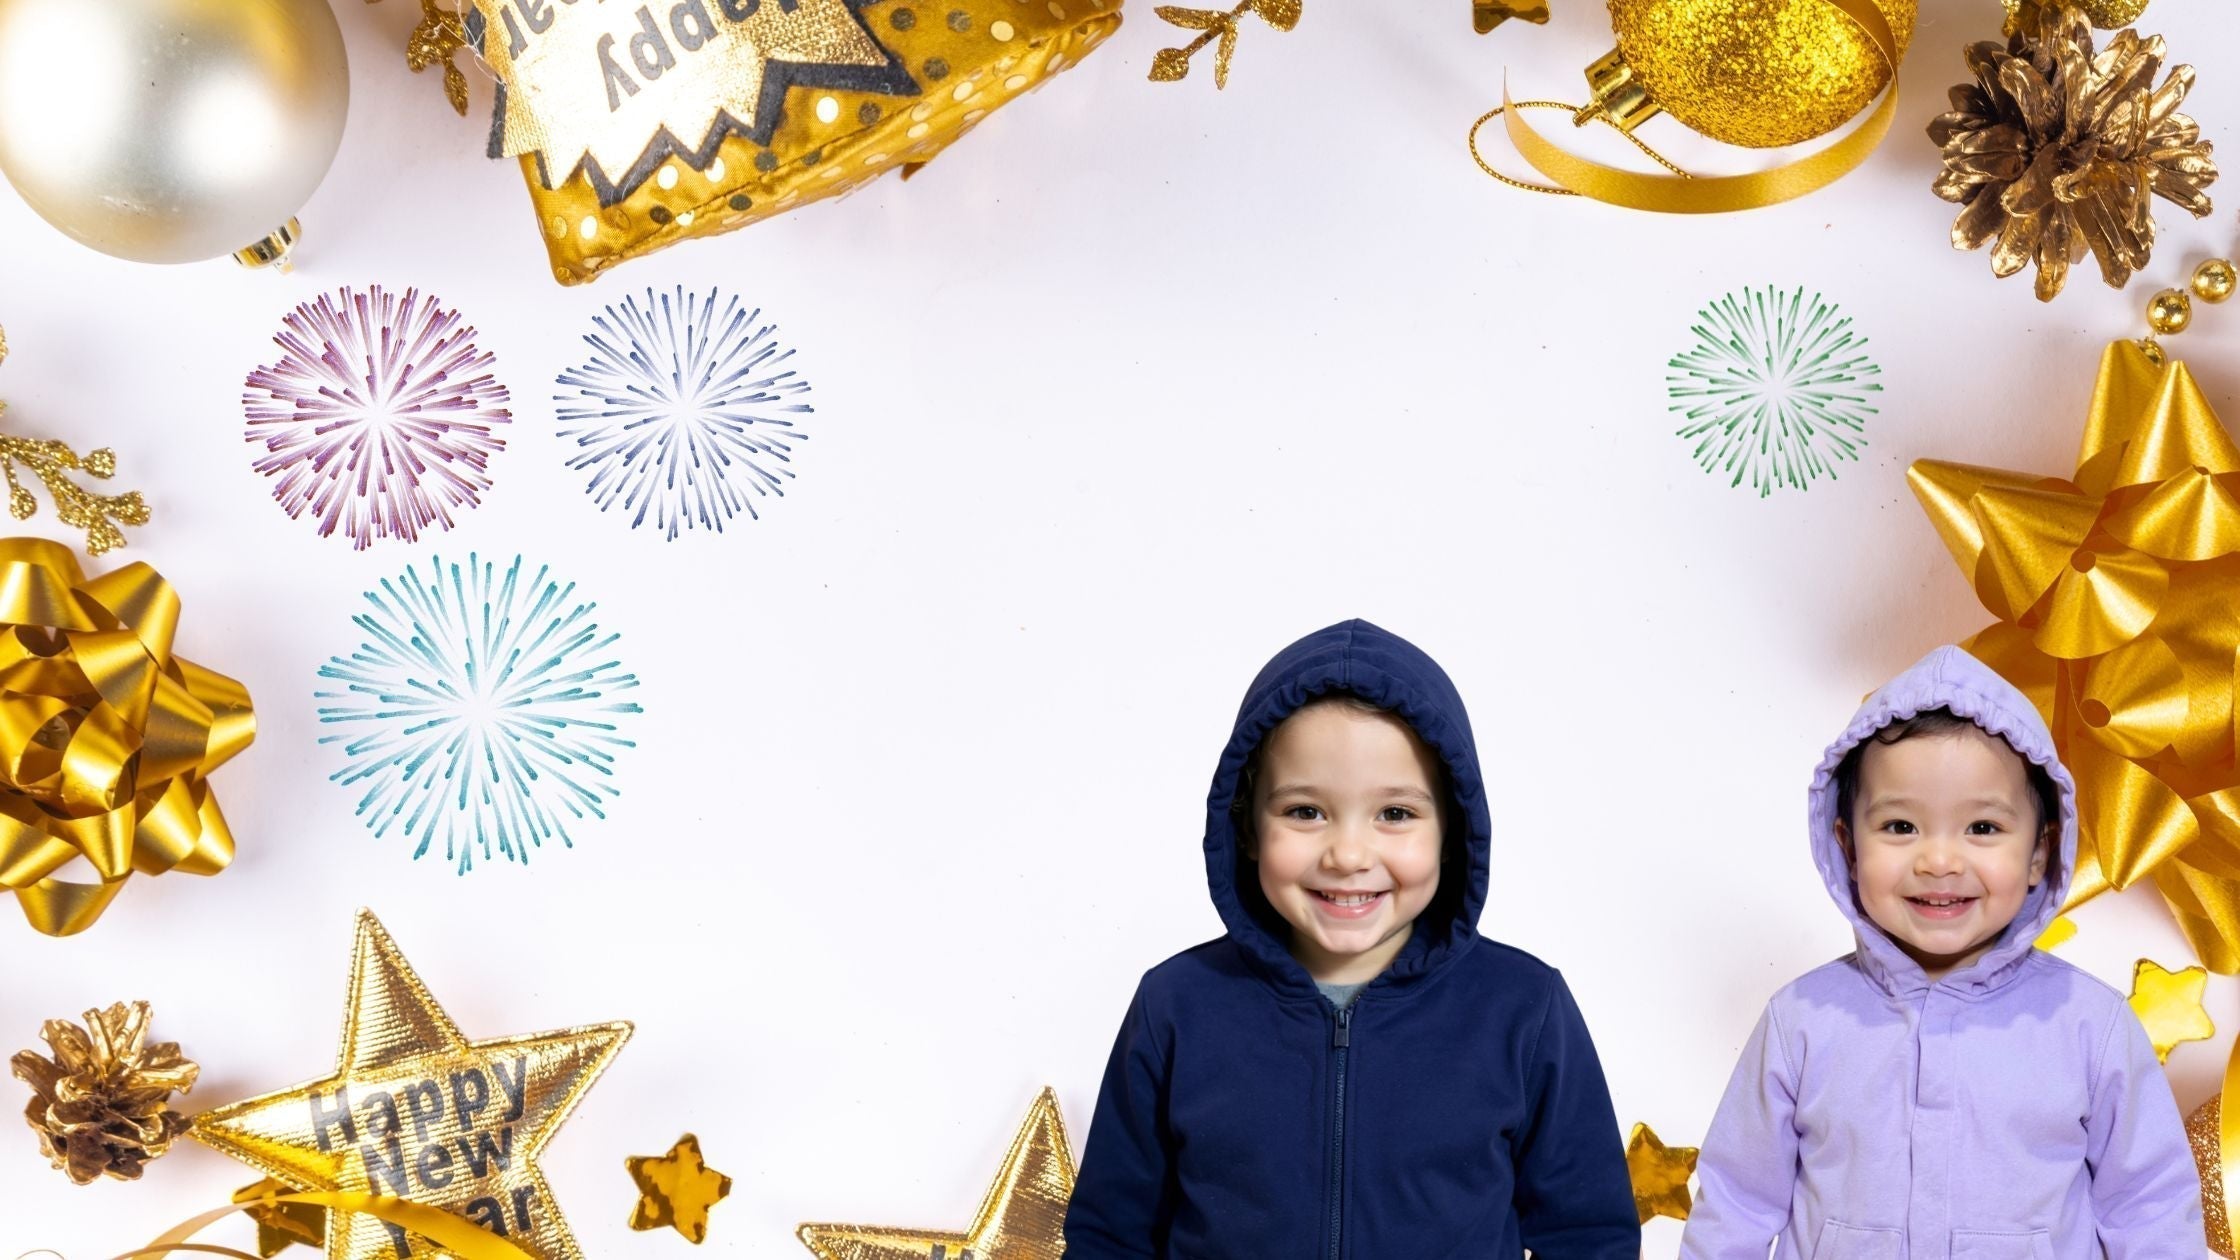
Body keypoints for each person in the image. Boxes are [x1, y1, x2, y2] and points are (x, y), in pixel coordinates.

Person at [1063, 619, 1638, 1258]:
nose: (1348, 854)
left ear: (1451, 831)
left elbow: (1589, 1235)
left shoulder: (1525, 1009)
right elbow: (1109, 1237)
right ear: (1248, 828)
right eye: (1305, 811)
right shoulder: (1176, 1005)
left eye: (1395, 814)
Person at [1681, 645, 2202, 1256]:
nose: (1939, 862)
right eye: (1900, 827)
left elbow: (2151, 1210)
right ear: (1848, 846)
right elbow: (1736, 1205)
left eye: (1983, 828)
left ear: (2040, 851)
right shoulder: (1801, 1021)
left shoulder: (2092, 1025)